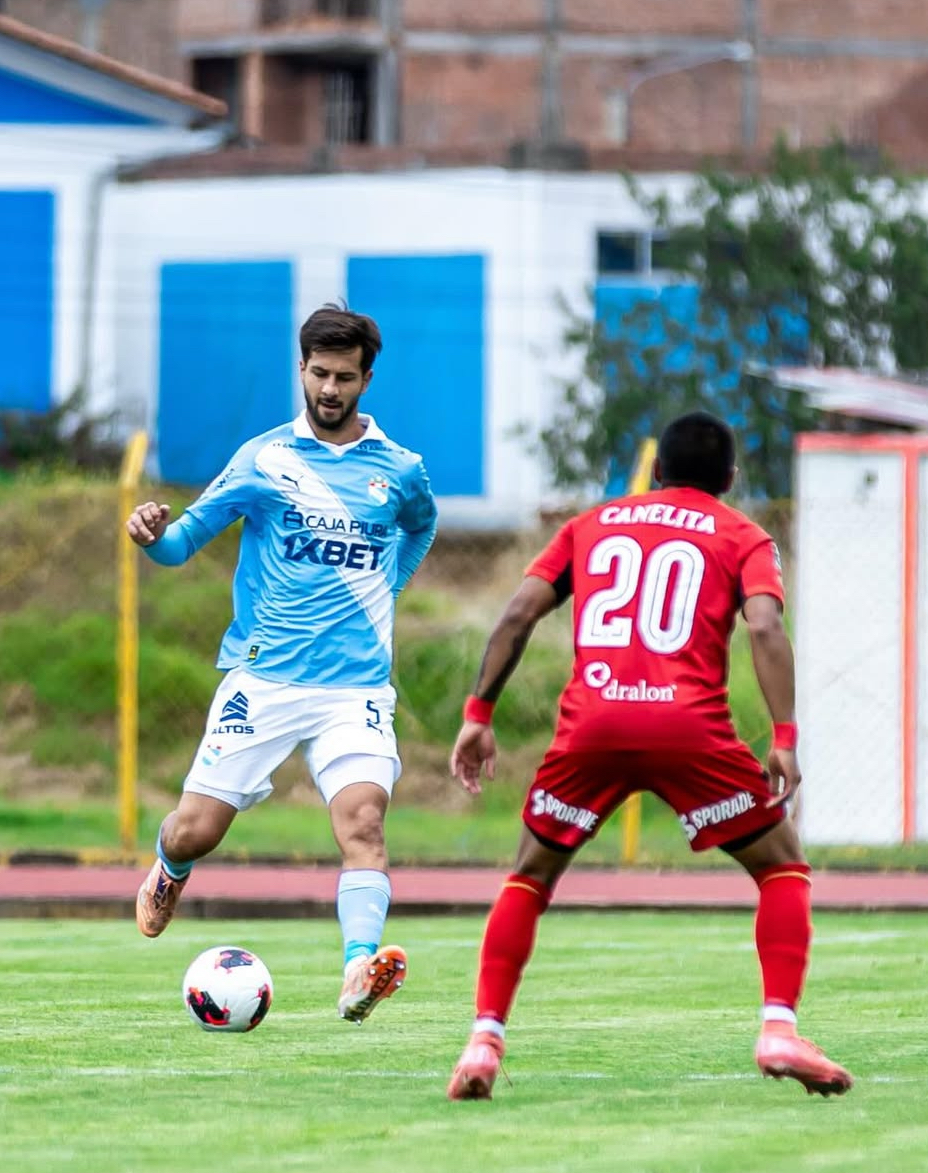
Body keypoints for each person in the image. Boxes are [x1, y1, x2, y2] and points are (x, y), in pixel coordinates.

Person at [445, 410, 853, 1100]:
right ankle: (779, 1030)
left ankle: (484, 1040)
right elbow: (763, 626)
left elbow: (517, 613)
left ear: (657, 470)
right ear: (729, 477)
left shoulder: (589, 525)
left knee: (529, 877)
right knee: (781, 866)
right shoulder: (742, 535)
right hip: (688, 730)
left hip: (593, 725)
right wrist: (783, 736)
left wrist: (478, 715)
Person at [126, 302, 438, 1025]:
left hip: (355, 689)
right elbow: (182, 543)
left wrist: (389, 585)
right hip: (264, 681)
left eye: (345, 377)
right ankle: (169, 868)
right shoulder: (263, 459)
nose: (330, 389)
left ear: (366, 379)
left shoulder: (400, 469)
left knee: (364, 823)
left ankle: (358, 967)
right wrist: (150, 536)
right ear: (301, 368)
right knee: (194, 830)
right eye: (320, 373)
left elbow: (420, 526)